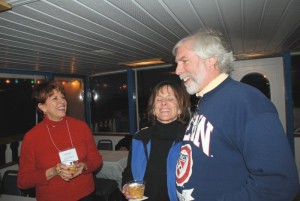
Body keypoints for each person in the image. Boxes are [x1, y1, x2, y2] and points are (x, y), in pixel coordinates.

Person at [173, 29, 299, 201]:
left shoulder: (246, 101)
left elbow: (279, 184)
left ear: (211, 59)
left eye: (184, 61)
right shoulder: (205, 100)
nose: (178, 70)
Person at [17, 80, 102, 201]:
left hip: (86, 195)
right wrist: (53, 171)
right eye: (54, 98)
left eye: (62, 97)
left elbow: (96, 160)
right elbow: (23, 181)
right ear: (42, 107)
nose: (62, 101)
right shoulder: (32, 137)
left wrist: (84, 166)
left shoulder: (81, 127)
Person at [122, 81, 190, 201]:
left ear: (180, 108)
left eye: (170, 98)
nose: (164, 103)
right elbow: (129, 173)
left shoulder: (190, 140)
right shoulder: (139, 138)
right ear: (153, 109)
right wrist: (127, 185)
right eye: (159, 99)